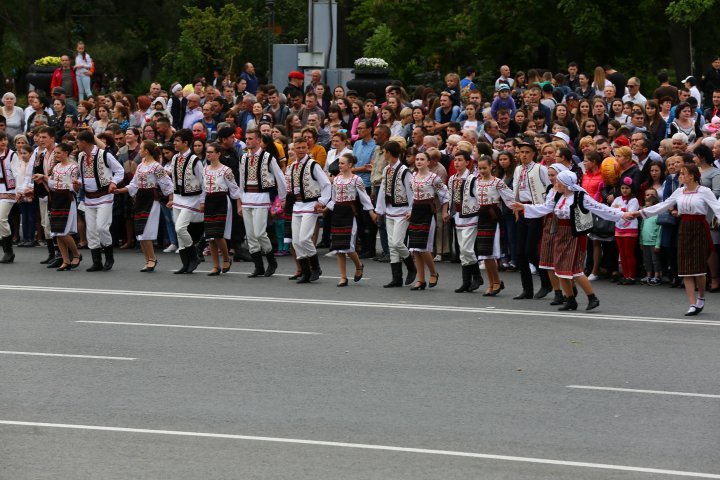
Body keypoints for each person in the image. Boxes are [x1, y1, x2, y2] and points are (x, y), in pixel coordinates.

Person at [512, 170, 624, 311]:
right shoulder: (558, 195)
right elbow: (545, 208)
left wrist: (622, 214)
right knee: (559, 269)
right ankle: (570, 299)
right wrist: (524, 207)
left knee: (575, 270)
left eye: (558, 181)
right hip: (560, 234)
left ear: (565, 184)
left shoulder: (580, 196)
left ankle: (592, 298)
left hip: (574, 235)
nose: (555, 183)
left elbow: (601, 208)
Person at [632, 163, 720, 315]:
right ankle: (692, 304)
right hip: (684, 228)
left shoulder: (704, 191)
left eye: (682, 174)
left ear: (691, 176)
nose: (679, 176)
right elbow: (664, 205)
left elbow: (717, 209)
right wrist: (641, 213)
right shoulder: (679, 191)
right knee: (685, 267)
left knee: (699, 269)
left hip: (699, 228)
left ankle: (701, 297)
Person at [112, 140, 174, 272]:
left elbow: (166, 183)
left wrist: (170, 198)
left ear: (146, 151)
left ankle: (152, 259)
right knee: (140, 231)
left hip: (151, 199)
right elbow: (134, 184)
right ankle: (148, 259)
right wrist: (120, 190)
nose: (139, 151)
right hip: (140, 198)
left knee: (147, 230)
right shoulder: (140, 165)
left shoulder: (156, 167)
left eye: (141, 149)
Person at [237, 130, 287, 277]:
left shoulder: (268, 157)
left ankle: (272, 262)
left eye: (251, 138)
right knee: (251, 235)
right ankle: (258, 266)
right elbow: (241, 181)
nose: (247, 141)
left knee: (260, 233)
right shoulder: (243, 158)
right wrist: (240, 202)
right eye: (246, 138)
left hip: (261, 197)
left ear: (259, 140)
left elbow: (280, 177)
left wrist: (283, 198)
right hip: (247, 198)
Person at [325, 153, 377, 286]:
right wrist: (325, 209)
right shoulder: (336, 180)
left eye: (342, 163)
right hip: (337, 213)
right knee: (338, 248)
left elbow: (364, 197)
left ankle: (359, 265)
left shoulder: (356, 180)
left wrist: (371, 211)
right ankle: (343, 276)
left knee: (348, 246)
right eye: (339, 163)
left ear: (349, 165)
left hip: (349, 213)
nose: (340, 166)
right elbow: (334, 199)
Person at [76, 129, 123, 271]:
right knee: (91, 231)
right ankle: (96, 261)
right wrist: (78, 182)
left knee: (102, 227)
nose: (77, 144)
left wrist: (114, 182)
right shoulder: (81, 156)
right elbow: (82, 175)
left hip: (104, 196)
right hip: (89, 198)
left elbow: (119, 170)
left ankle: (109, 256)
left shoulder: (104, 155)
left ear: (84, 142)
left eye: (78, 141)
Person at [512, 139, 553, 300]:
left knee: (530, 250)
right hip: (521, 210)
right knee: (520, 252)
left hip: (535, 210)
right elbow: (516, 188)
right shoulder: (517, 170)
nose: (523, 155)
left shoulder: (540, 169)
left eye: (527, 152)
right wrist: (515, 208)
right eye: (521, 152)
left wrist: (544, 207)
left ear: (533, 154)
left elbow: (550, 188)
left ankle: (546, 282)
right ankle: (527, 289)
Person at [287, 136, 331, 283]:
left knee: (305, 238)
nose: (300, 150)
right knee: (296, 241)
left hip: (310, 204)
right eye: (297, 148)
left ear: (307, 148)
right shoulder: (292, 166)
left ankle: (316, 267)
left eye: (303, 147)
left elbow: (326, 184)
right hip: (297, 205)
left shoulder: (313, 165)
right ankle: (305, 272)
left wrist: (322, 201)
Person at [375, 140, 417, 287]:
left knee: (397, 242)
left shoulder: (404, 171)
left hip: (402, 211)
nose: (383, 154)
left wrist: (411, 210)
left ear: (389, 153)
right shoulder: (387, 169)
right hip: (390, 210)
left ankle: (411, 267)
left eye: (384, 151)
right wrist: (379, 210)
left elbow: (411, 192)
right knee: (393, 246)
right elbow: (383, 190)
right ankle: (396, 277)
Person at [406, 150, 449, 290]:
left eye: (422, 159)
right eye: (417, 159)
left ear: (428, 162)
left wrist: (444, 211)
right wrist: (410, 211)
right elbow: (413, 196)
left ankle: (433, 272)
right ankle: (420, 279)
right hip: (416, 212)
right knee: (415, 249)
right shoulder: (413, 176)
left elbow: (445, 194)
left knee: (424, 248)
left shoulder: (433, 178)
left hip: (427, 212)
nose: (418, 161)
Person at [472, 154, 515, 294]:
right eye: (480, 168)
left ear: (491, 167)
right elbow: (473, 200)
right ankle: (492, 283)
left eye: (485, 168)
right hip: (482, 217)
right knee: (484, 254)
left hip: (493, 216)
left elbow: (510, 197)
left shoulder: (497, 182)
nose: (482, 171)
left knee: (491, 253)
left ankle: (496, 282)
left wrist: (519, 210)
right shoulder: (476, 182)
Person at [200, 143, 243, 276]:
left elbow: (234, 188)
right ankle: (215, 265)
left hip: (222, 201)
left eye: (211, 152)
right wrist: (202, 202)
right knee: (210, 236)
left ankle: (225, 258)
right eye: (207, 152)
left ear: (218, 154)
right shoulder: (205, 169)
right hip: (210, 200)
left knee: (218, 234)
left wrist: (238, 204)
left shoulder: (226, 170)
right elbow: (203, 187)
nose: (208, 154)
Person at [39, 143, 82, 270]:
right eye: (55, 153)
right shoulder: (56, 166)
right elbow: (52, 184)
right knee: (56, 232)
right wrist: (44, 178)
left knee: (63, 232)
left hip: (67, 199)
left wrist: (74, 184)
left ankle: (76, 254)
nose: (56, 155)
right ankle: (65, 260)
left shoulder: (73, 167)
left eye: (58, 153)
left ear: (66, 153)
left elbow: (76, 187)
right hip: (56, 199)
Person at [168, 128, 205, 274]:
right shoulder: (175, 158)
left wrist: (202, 201)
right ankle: (186, 263)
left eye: (177, 141)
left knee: (180, 228)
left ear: (186, 142)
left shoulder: (195, 160)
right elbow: (173, 180)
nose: (174, 143)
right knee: (179, 232)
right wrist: (171, 197)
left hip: (191, 199)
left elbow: (203, 182)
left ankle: (194, 255)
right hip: (178, 198)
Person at [611, 177, 640, 284]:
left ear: (631, 189)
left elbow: (631, 214)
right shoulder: (617, 199)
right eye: (622, 188)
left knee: (629, 253)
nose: (624, 190)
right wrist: (623, 210)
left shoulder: (634, 200)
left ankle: (631, 276)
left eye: (627, 188)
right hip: (618, 229)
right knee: (622, 253)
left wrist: (618, 209)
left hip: (630, 229)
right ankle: (625, 275)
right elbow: (611, 210)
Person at [639, 189, 663, 285]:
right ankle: (648, 275)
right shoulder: (645, 215)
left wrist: (658, 244)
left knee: (655, 260)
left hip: (653, 242)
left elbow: (660, 231)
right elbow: (641, 228)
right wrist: (641, 241)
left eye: (648, 204)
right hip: (645, 242)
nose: (646, 205)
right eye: (646, 203)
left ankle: (657, 276)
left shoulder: (657, 216)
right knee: (647, 260)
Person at [0, 132, 18, 263]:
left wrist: (20, 190)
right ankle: (7, 250)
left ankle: (8, 250)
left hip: (8, 189)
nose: (3, 142)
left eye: (5, 139)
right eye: (0, 140)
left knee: (1, 218)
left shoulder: (11, 155)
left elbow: (17, 173)